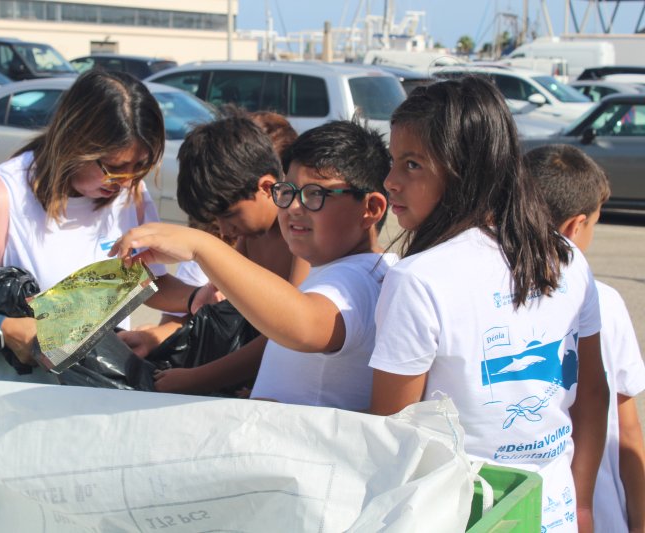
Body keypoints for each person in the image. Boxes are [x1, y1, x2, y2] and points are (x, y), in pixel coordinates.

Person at [367, 77, 608, 532]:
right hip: (553, 511)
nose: (391, 181)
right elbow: (593, 395)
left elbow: (393, 432)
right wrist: (583, 507)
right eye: (393, 161)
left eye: (413, 165)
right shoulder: (566, 255)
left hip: (463, 514)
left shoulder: (416, 279)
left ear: (466, 170)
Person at [0, 70, 195, 383]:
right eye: (114, 168)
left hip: (89, 396)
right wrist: (9, 330)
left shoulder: (132, 196)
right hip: (10, 406)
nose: (127, 181)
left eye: (140, 166)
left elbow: (147, 282)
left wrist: (198, 298)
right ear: (75, 143)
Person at [112, 120, 397, 410]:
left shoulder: (359, 278)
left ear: (371, 209)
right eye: (289, 192)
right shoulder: (348, 268)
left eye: (315, 195)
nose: (293, 208)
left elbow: (299, 323)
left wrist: (201, 246)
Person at [119, 113, 308, 395]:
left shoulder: (301, 238)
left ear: (267, 188)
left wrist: (200, 378)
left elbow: (282, 335)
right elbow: (230, 319)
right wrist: (160, 337)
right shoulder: (249, 238)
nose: (224, 230)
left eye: (229, 215)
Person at [525, 144, 645, 533]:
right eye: (595, 222)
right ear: (575, 227)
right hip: (596, 513)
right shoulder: (604, 301)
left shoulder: (485, 295)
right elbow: (629, 435)